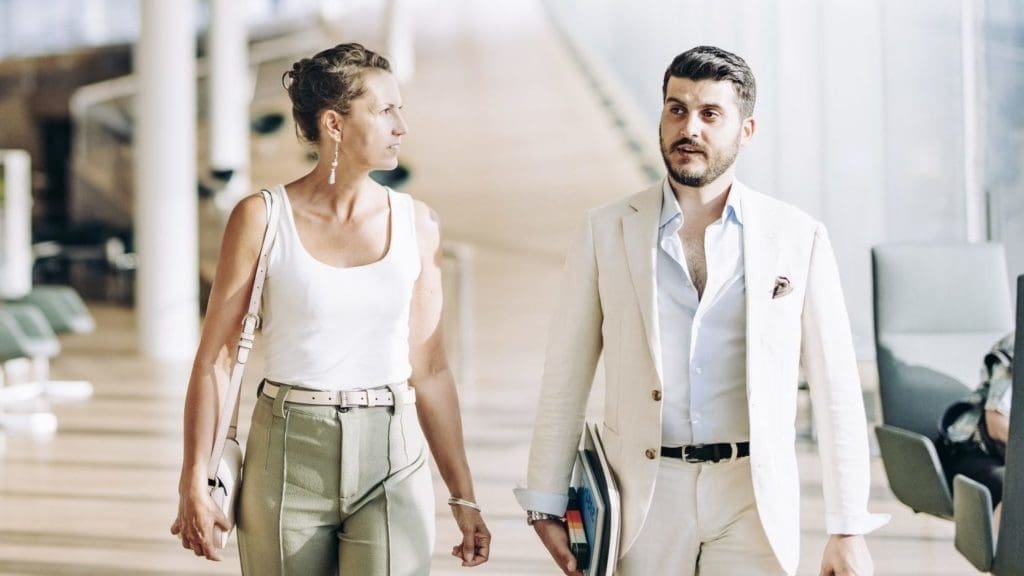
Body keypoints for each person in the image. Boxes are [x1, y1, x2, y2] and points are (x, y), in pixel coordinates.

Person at [515, 45, 889, 576]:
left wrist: (848, 528)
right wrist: (544, 500)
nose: (689, 127)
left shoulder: (797, 236)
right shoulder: (606, 229)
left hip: (751, 497)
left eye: (710, 114)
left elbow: (837, 390)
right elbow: (565, 375)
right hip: (643, 495)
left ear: (747, 130)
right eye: (676, 109)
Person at [171, 43, 490, 574]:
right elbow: (215, 361)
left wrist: (464, 496)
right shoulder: (260, 218)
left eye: (399, 109)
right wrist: (193, 481)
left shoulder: (418, 224)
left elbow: (430, 369)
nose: (400, 126)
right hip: (287, 455)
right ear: (334, 125)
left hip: (392, 455)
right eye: (385, 110)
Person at [942, 331, 1014, 529]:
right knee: (1016, 491)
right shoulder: (1016, 347)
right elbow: (997, 426)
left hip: (1011, 456)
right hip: (978, 450)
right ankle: (1004, 558)